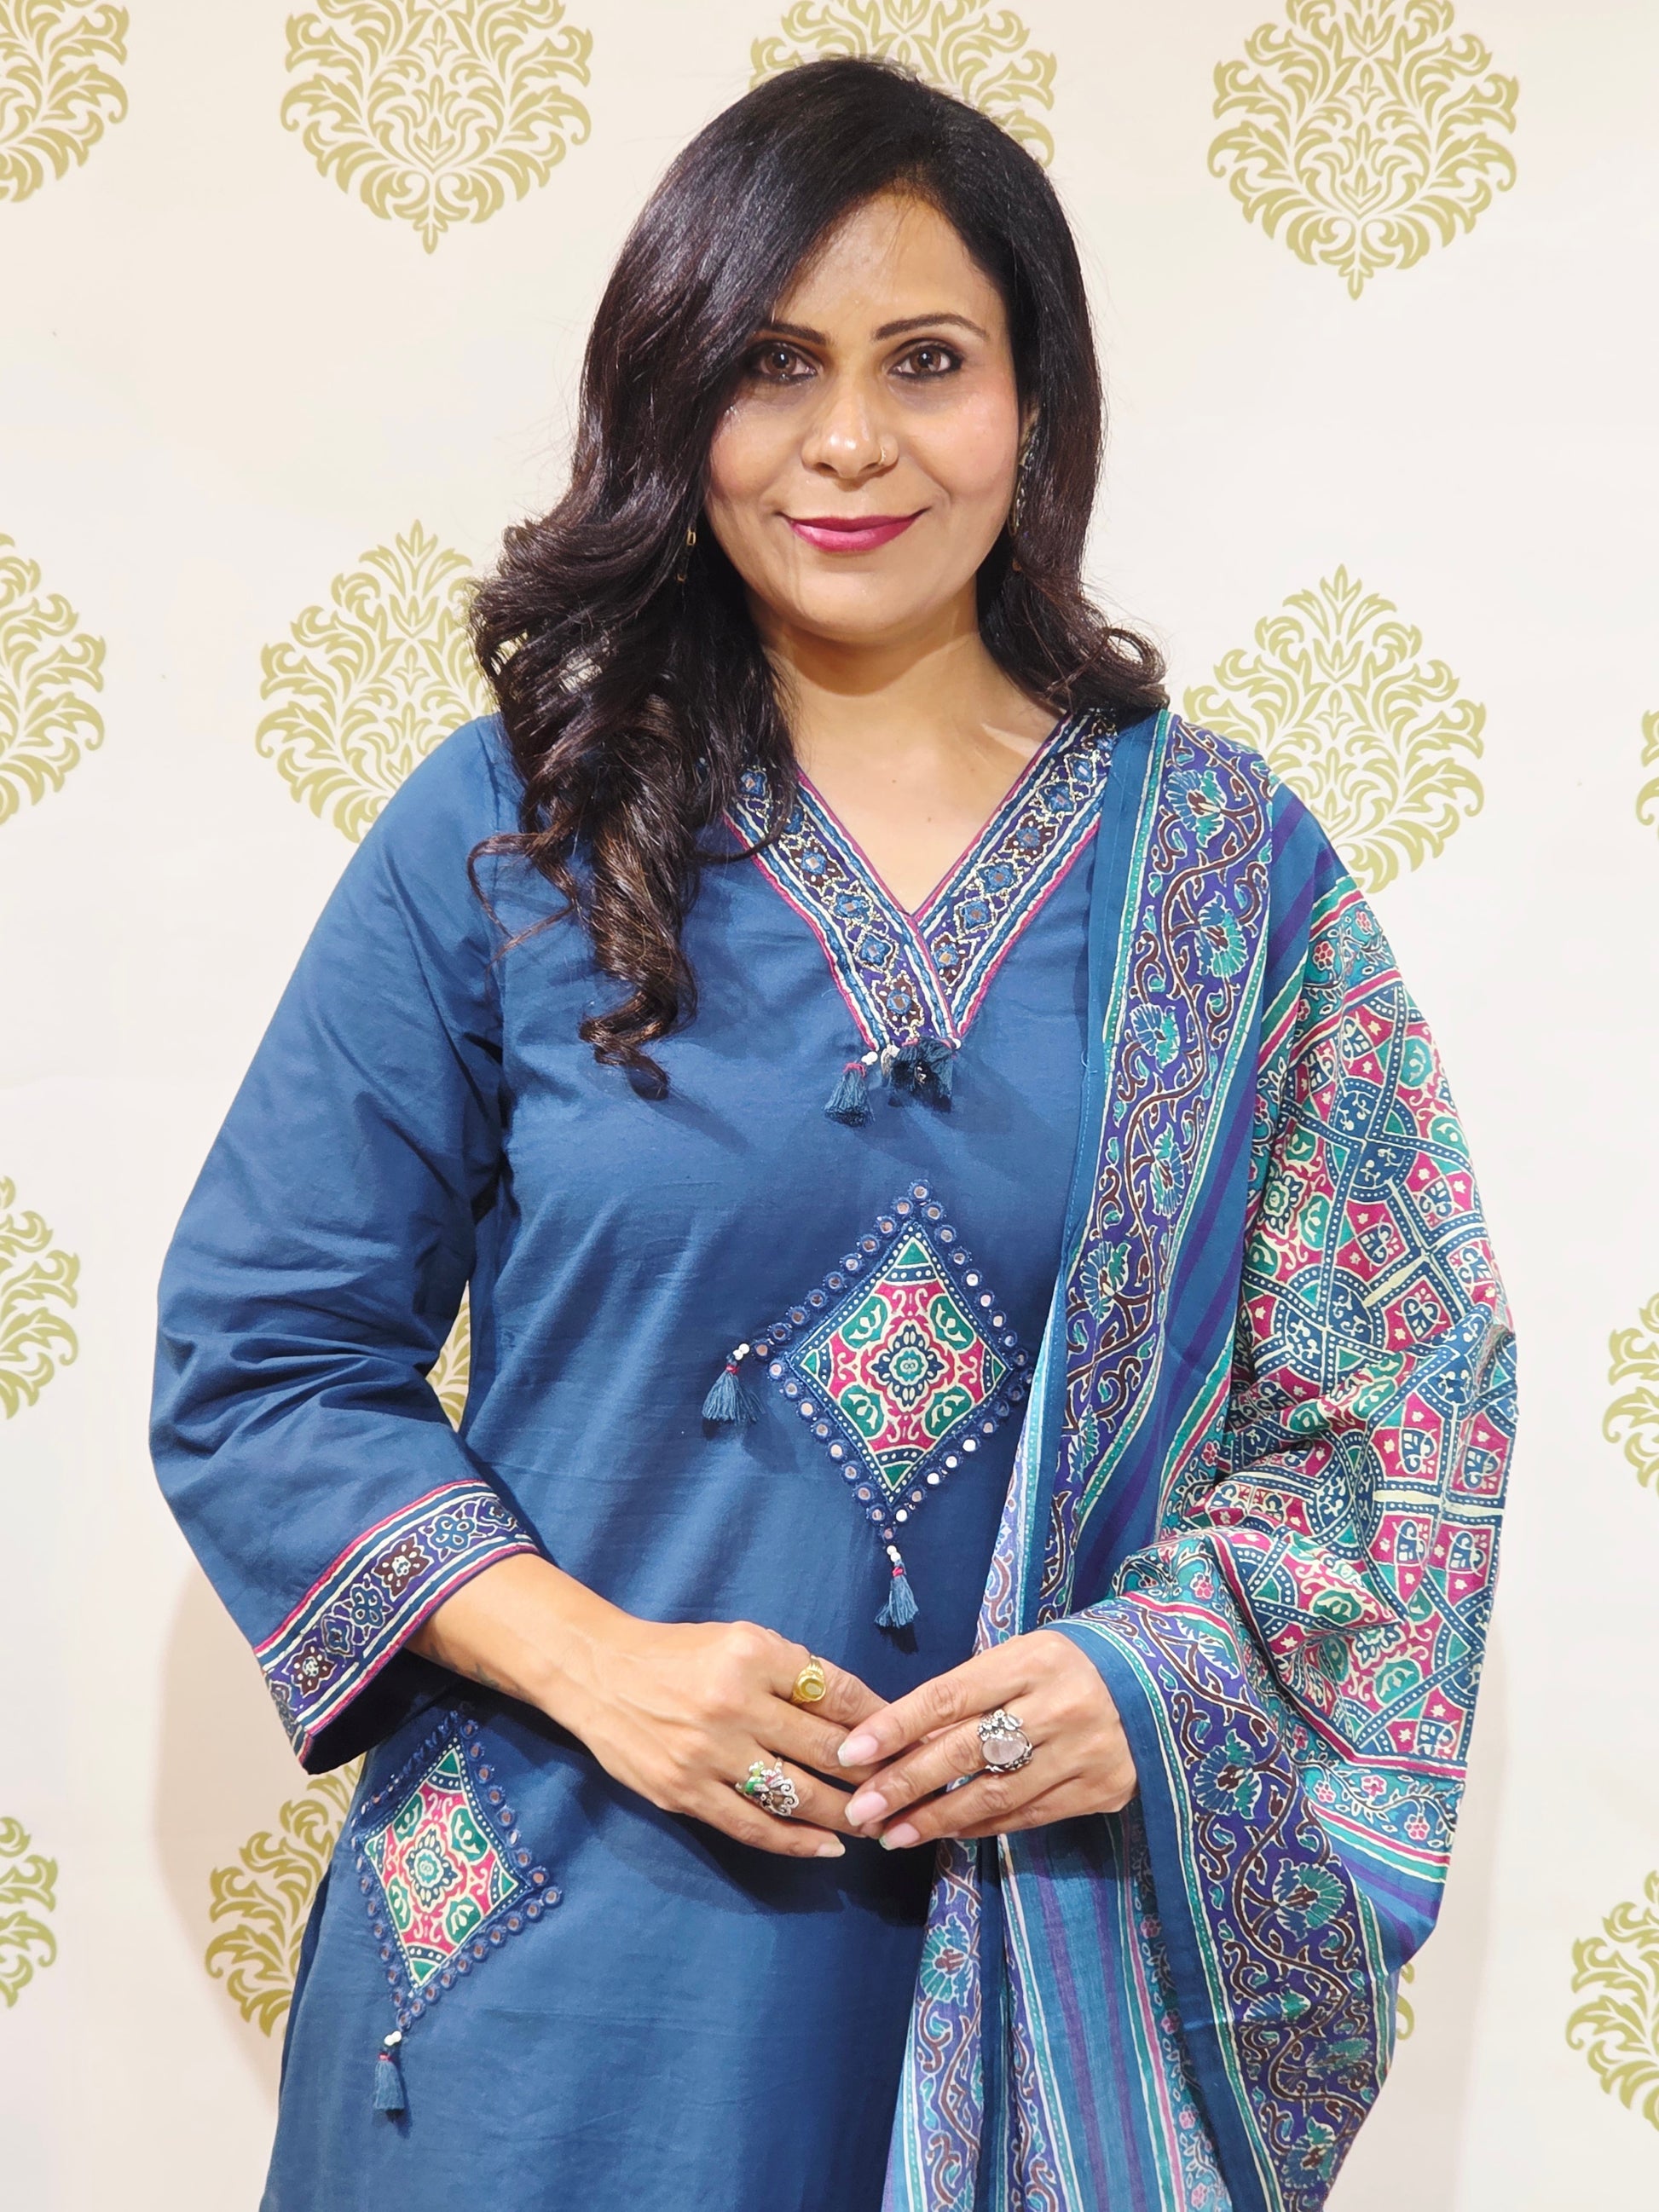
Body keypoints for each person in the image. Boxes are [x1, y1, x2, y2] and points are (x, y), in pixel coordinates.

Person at [152, 56, 1515, 2212]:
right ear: (676, 399)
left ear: (1037, 404)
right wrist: (604, 1665)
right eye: (774, 364)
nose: (851, 440)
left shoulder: (1222, 874)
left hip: (1037, 1982)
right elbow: (262, 1354)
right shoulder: (517, 825)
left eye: (928, 361)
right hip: (550, 1978)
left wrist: (1148, 1672)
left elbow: (1400, 1396)